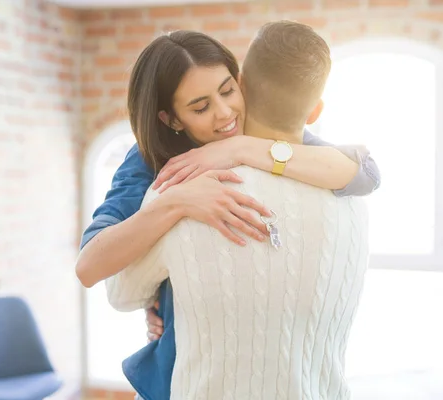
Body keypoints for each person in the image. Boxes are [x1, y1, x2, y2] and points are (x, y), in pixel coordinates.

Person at [103, 21, 371, 399]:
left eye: (227, 91)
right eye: (200, 106)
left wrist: (238, 151)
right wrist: (164, 295)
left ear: (240, 83)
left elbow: (121, 292)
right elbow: (94, 261)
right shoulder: (348, 200)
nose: (223, 112)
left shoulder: (177, 185)